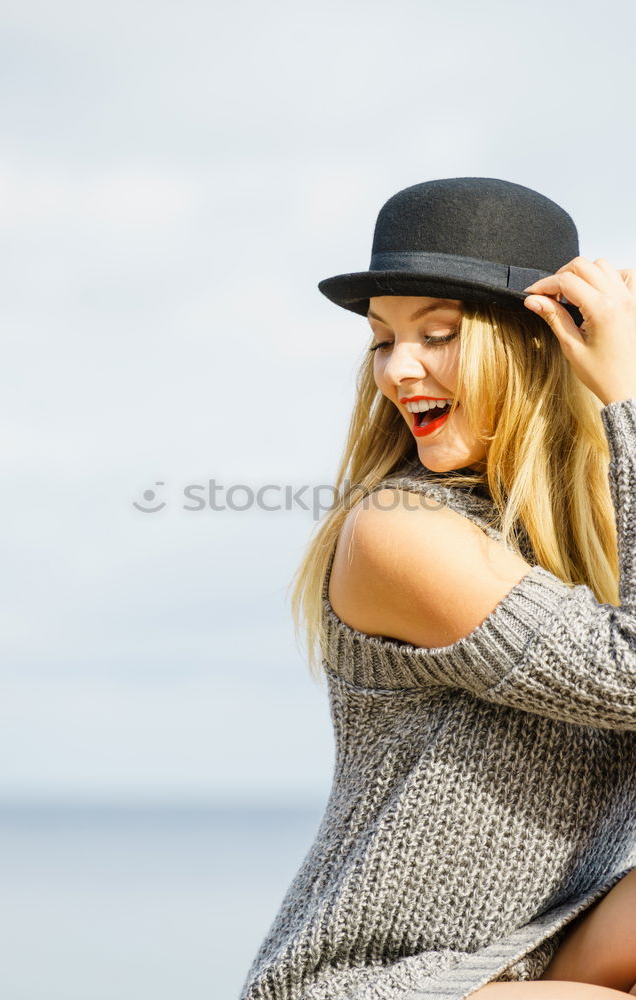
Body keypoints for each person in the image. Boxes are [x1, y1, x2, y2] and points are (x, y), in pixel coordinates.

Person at [238, 177, 636, 1000]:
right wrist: (627, 401)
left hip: (532, 960)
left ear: (541, 344)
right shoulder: (398, 530)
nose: (398, 368)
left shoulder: (599, 530)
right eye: (383, 339)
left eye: (438, 334)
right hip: (374, 986)